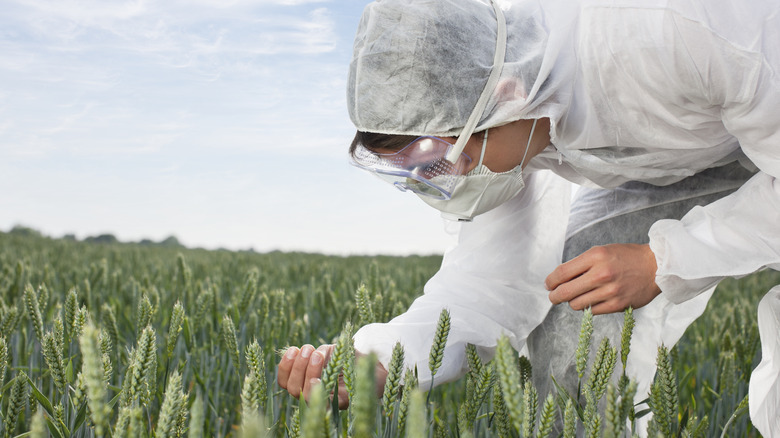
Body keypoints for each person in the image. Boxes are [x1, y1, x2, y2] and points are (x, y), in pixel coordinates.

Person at [278, 0, 780, 434]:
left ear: (507, 95)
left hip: (758, 100)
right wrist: (382, 361)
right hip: (698, 149)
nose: (441, 184)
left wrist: (663, 260)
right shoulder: (508, 115)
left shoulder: (678, 28)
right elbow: (488, 285)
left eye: (439, 160)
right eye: (412, 171)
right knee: (581, 298)